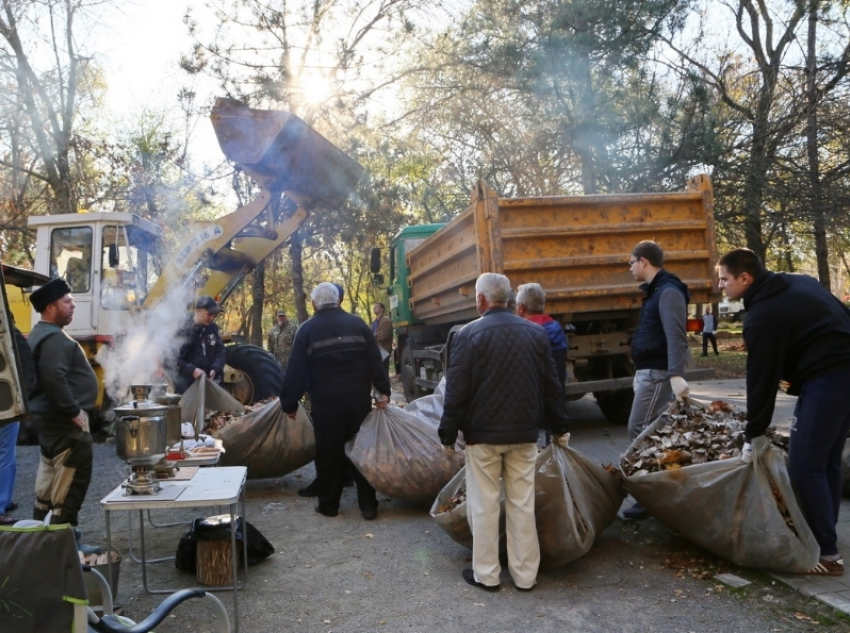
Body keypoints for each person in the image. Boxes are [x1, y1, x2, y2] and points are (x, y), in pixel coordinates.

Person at [718, 248, 850, 576]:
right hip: (842, 373)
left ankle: (827, 556)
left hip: (830, 377)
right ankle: (825, 536)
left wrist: (754, 433)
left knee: (804, 463)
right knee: (827, 459)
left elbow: (760, 380)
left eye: (724, 279)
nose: (720, 286)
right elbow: (843, 312)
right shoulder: (798, 282)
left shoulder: (763, 315)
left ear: (745, 278)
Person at [439, 273, 569, 592]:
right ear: (509, 299)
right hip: (525, 434)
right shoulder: (536, 335)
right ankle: (525, 576)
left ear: (482, 300)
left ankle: (487, 575)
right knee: (522, 503)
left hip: (482, 437)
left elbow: (457, 391)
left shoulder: (467, 335)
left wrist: (447, 434)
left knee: (483, 504)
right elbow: (552, 386)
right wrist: (560, 427)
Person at [279, 282, 392, 520]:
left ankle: (329, 506)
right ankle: (368, 506)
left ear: (313, 304)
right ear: (338, 300)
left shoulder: (307, 330)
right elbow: (375, 361)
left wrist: (289, 403)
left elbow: (296, 370)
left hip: (326, 405)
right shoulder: (358, 324)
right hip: (358, 403)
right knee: (361, 451)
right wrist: (383, 391)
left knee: (329, 455)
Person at [622, 240, 690, 520]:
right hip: (649, 371)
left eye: (631, 262)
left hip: (660, 373)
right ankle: (664, 490)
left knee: (639, 429)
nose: (630, 268)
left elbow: (676, 336)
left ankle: (651, 496)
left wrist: (675, 374)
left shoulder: (668, 292)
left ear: (644, 262)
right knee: (655, 432)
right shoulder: (656, 291)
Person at [27, 278, 99, 528]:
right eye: (67, 301)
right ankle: (63, 543)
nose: (73, 305)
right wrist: (74, 412)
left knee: (50, 484)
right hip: (64, 425)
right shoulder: (54, 339)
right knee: (70, 484)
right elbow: (53, 378)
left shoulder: (40, 333)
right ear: (50, 307)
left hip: (50, 421)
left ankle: (43, 537)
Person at [0, 321, 37, 525]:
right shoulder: (8, 332)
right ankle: (1, 505)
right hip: (6, 403)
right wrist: (25, 398)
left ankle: (3, 499)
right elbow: (25, 363)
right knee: (6, 455)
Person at [176, 296, 226, 392]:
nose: (212, 317)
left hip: (210, 382)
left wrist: (216, 369)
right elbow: (176, 359)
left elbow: (220, 350)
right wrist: (192, 370)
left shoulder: (213, 328)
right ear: (198, 311)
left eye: (214, 314)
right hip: (188, 386)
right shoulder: (183, 329)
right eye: (209, 314)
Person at [371, 302, 393, 377]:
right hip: (376, 351)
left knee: (383, 373)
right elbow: (371, 335)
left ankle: (386, 388)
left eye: (377, 306)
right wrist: (374, 335)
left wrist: (373, 336)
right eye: (374, 306)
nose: (374, 308)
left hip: (383, 351)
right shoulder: (374, 323)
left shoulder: (386, 321)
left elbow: (384, 336)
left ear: (382, 309)